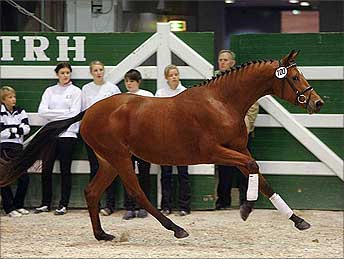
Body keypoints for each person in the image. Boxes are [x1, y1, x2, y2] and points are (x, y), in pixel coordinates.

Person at [34, 62, 82, 215]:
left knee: (65, 171)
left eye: (67, 72)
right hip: (50, 136)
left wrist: (53, 113)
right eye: (62, 73)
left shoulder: (76, 91)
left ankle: (63, 204)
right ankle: (45, 203)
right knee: (46, 169)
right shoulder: (50, 91)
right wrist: (64, 113)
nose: (65, 75)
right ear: (57, 74)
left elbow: (74, 114)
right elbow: (42, 111)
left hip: (68, 135)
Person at [214, 50, 259, 210]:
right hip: (221, 132)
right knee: (223, 166)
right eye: (220, 60)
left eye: (226, 60)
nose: (223, 62)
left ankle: (245, 200)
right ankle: (223, 200)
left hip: (241, 131)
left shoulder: (242, 80)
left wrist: (247, 126)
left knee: (244, 165)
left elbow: (252, 104)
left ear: (233, 62)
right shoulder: (213, 81)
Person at [81, 60, 121, 216]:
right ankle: (95, 203)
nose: (99, 72)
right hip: (93, 133)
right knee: (95, 168)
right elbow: (84, 110)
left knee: (111, 168)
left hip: (110, 135)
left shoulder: (112, 88)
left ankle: (110, 204)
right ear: (91, 72)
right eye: (96, 70)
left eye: (101, 69)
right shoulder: (86, 89)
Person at [155, 64, 191, 216]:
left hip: (182, 138)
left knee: (183, 173)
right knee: (166, 173)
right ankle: (166, 206)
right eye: (171, 75)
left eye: (176, 74)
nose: (174, 77)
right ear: (166, 78)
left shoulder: (185, 92)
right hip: (165, 138)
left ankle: (184, 206)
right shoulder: (161, 93)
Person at [122, 69, 153, 220]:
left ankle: (144, 206)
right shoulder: (121, 98)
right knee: (127, 175)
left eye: (132, 81)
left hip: (144, 142)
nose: (129, 84)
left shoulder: (147, 96)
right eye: (127, 81)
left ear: (138, 82)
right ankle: (129, 206)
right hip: (126, 143)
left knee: (144, 174)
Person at [0, 86, 31, 217]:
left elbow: (27, 128)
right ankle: (9, 208)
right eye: (10, 97)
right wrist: (17, 130)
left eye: (14, 97)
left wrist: (12, 131)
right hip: (4, 149)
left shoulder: (20, 111)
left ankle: (19, 204)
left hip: (18, 148)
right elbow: (1, 133)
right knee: (4, 178)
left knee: (24, 178)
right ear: (3, 100)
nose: (13, 99)